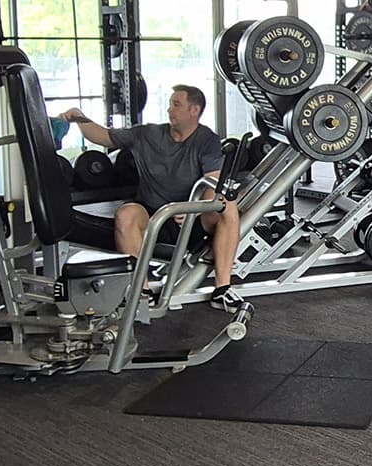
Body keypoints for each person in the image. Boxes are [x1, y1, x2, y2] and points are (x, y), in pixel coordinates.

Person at [61, 85, 244, 312]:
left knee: (228, 206)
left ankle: (222, 289)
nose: (170, 110)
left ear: (194, 110)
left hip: (191, 217)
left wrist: (192, 209)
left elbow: (212, 182)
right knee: (126, 214)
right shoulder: (147, 134)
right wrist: (79, 117)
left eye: (176, 104)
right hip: (152, 213)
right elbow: (104, 137)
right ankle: (141, 291)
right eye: (170, 104)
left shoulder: (207, 139)